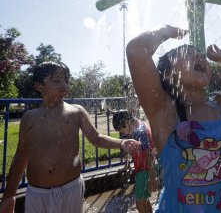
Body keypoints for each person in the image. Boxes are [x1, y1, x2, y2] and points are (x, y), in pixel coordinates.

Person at [126, 25, 221, 212]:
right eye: (187, 54)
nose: (199, 56)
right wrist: (168, 31)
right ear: (170, 75)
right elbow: (136, 49)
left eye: (200, 54)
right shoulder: (164, 112)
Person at [0, 61, 141, 213]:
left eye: (66, 81)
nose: (64, 86)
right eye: (57, 81)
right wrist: (9, 196)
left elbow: (97, 138)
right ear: (38, 86)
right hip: (37, 192)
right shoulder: (29, 118)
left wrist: (121, 143)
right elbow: (21, 156)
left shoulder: (76, 112)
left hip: (71, 188)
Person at [113, 110, 157, 213]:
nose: (123, 133)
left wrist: (152, 177)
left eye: (122, 130)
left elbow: (149, 154)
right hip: (145, 170)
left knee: (139, 204)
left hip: (145, 171)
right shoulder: (140, 125)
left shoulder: (139, 131)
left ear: (126, 122)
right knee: (145, 201)